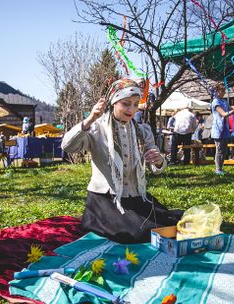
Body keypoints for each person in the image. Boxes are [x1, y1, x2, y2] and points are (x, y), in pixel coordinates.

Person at [61, 78, 179, 244]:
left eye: (136, 104)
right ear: (113, 102)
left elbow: (155, 167)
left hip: (136, 196)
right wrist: (89, 120)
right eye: (126, 103)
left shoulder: (142, 131)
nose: (132, 109)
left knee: (170, 226)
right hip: (105, 199)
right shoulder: (97, 128)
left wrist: (159, 160)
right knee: (136, 235)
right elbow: (68, 146)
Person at [211, 83, 234, 175]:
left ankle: (221, 168)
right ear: (217, 92)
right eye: (222, 91)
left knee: (224, 149)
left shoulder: (224, 101)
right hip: (218, 129)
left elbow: (230, 108)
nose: (224, 92)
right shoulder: (216, 102)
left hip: (225, 128)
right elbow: (224, 114)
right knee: (220, 149)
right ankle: (218, 169)